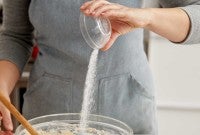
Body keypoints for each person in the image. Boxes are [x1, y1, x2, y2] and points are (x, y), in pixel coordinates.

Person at [0, 0, 200, 134]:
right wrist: (1, 86)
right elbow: (15, 35)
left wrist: (147, 17)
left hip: (128, 109)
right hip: (47, 113)